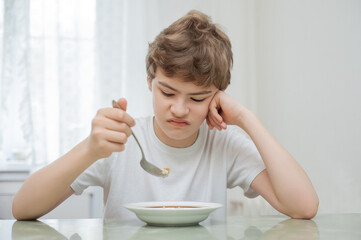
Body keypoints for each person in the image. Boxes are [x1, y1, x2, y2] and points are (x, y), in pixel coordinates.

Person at [12, 10, 318, 220]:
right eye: (168, 93)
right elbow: (22, 208)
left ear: (219, 96)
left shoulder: (224, 145)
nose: (180, 109)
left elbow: (303, 207)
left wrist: (247, 119)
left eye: (198, 98)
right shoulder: (120, 142)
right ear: (149, 82)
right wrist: (90, 149)